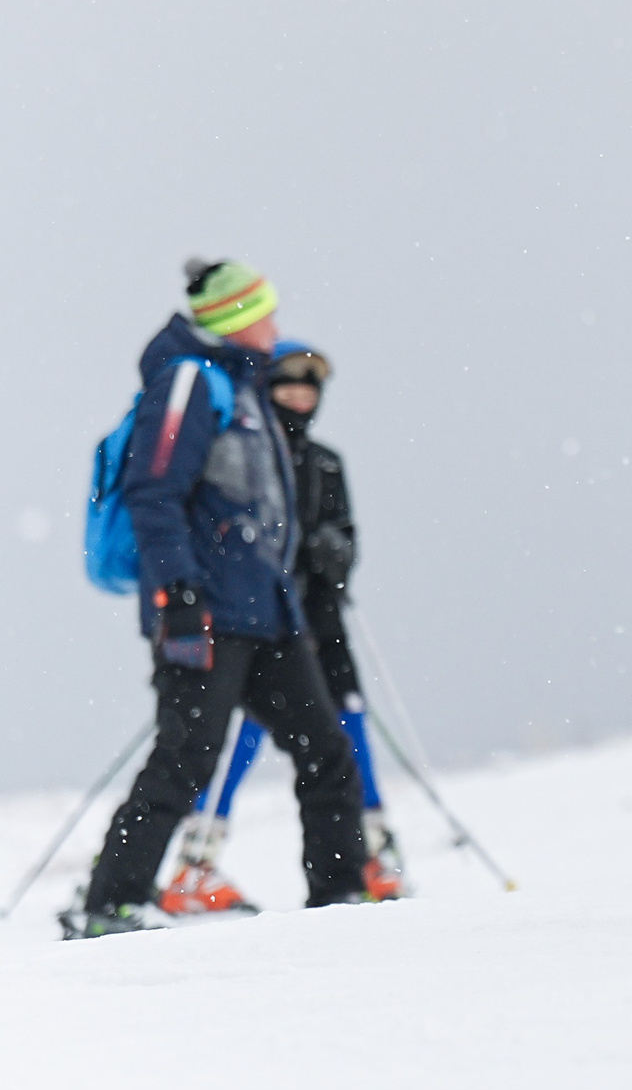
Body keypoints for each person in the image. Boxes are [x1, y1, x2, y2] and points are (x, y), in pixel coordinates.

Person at [64, 261, 368, 938]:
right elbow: (155, 491)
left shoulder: (242, 385)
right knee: (188, 753)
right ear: (234, 316)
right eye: (265, 313)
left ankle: (343, 896)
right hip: (205, 612)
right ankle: (110, 903)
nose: (275, 326)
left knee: (325, 748)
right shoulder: (188, 382)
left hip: (266, 611)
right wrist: (178, 594)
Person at [161, 339, 407, 914]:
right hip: (264, 621)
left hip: (320, 621)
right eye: (287, 382)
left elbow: (347, 542)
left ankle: (369, 852)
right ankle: (197, 859)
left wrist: (332, 554)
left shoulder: (325, 463)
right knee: (240, 737)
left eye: (310, 384)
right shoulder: (249, 452)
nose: (299, 393)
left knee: (346, 732)